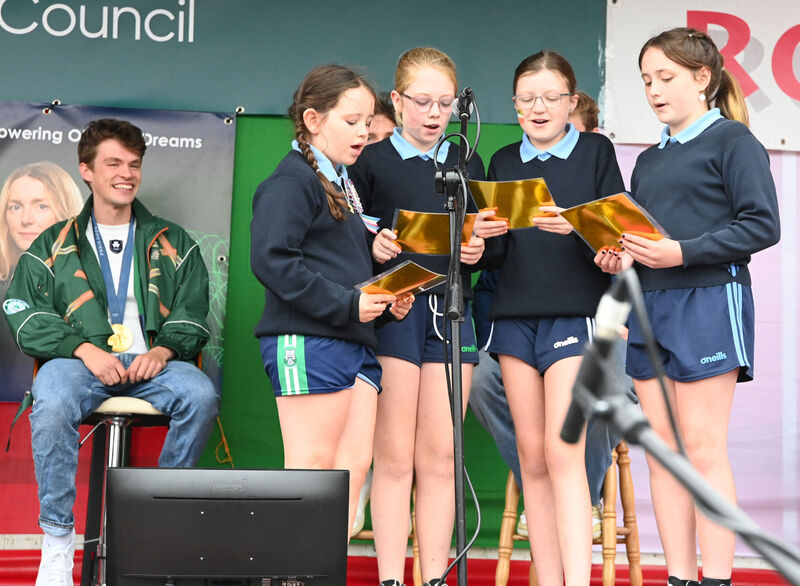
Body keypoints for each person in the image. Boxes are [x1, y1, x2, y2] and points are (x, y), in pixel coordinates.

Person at [596, 28, 780, 586]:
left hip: (708, 302)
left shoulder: (733, 142)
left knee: (701, 449)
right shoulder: (649, 159)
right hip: (651, 307)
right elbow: (647, 239)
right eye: (647, 80)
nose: (654, 90)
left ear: (704, 79)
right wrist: (620, 257)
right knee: (664, 452)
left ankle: (717, 577)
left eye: (666, 78)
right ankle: (678, 577)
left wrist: (682, 252)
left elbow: (762, 225)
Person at [2, 119, 220, 586]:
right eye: (114, 163)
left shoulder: (173, 241)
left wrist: (163, 351)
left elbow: (194, 312)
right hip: (81, 364)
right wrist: (83, 349)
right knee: (53, 393)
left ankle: (154, 528)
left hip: (153, 365)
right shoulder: (54, 241)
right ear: (86, 170)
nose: (126, 173)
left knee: (200, 395)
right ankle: (58, 544)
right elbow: (21, 310)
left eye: (134, 164)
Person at [349, 47, 500, 586]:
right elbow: (349, 246)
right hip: (395, 314)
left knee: (439, 457)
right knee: (394, 456)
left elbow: (480, 240)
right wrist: (377, 246)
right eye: (422, 102)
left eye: (445, 102)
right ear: (396, 100)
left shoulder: (467, 162)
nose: (435, 113)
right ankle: (392, 576)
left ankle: (433, 576)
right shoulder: (369, 162)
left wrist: (477, 252)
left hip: (452, 314)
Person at [250, 64, 413, 540]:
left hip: (354, 343)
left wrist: (384, 296)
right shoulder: (292, 181)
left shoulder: (343, 183)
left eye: (368, 122)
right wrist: (346, 305)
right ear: (313, 119)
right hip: (309, 338)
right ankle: (292, 573)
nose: (364, 131)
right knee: (313, 473)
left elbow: (338, 263)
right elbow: (273, 261)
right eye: (352, 120)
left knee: (350, 472)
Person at [484, 51, 625, 586]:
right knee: (532, 457)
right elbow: (497, 259)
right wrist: (484, 241)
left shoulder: (595, 151)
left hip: (575, 314)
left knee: (564, 452)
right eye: (526, 98)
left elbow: (616, 232)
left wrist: (580, 230)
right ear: (514, 104)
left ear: (572, 101)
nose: (538, 107)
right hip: (514, 319)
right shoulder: (501, 161)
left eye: (550, 97)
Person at [0, 162, 84, 402]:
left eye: (41, 206)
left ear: (66, 211)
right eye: (15, 207)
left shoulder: (90, 282)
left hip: (67, 413)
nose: (26, 219)